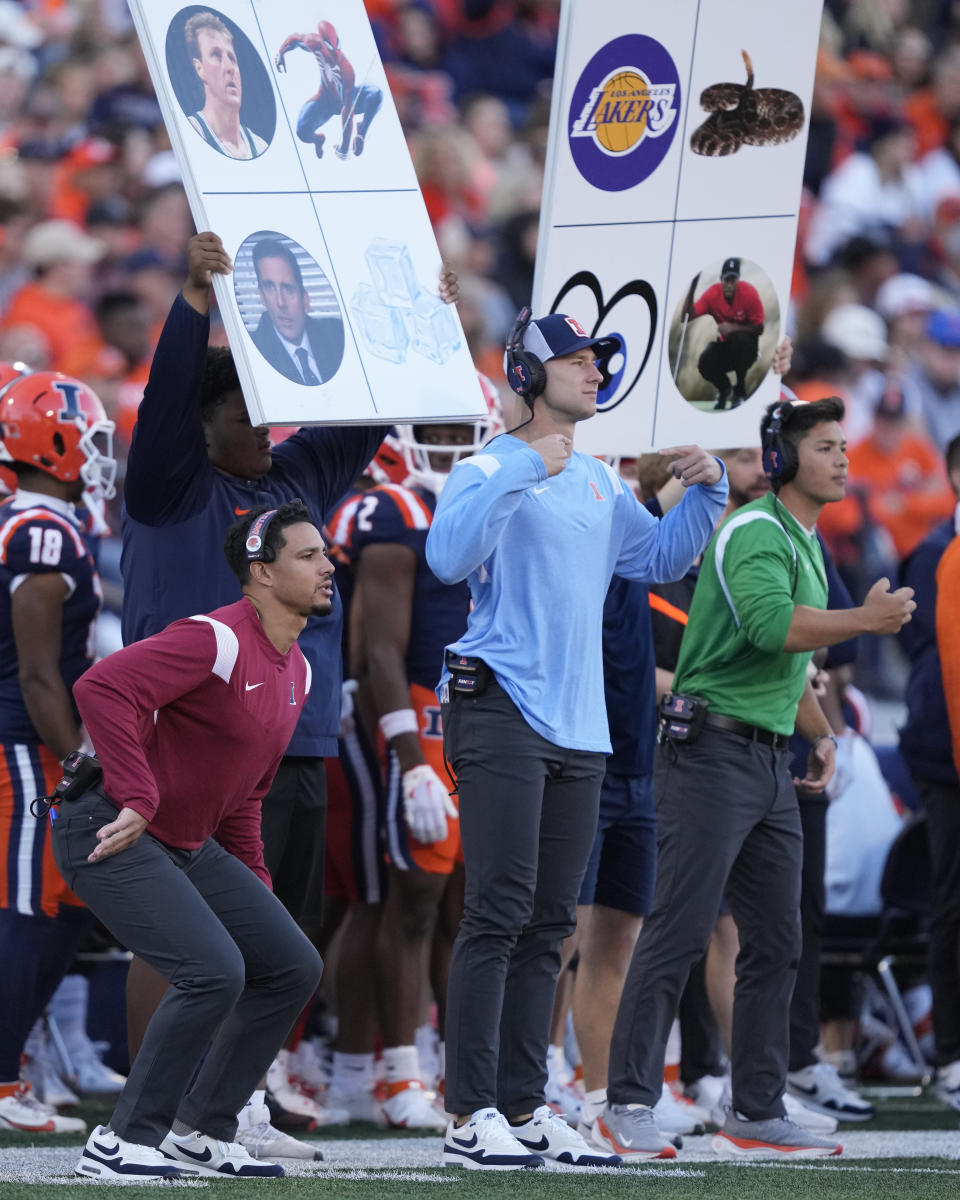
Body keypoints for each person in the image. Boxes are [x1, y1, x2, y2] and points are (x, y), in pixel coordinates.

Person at [426, 310, 729, 1171]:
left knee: (550, 921)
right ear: (527, 375)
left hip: (577, 724)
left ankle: (522, 1106)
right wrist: (523, 464)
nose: (596, 373)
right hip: (504, 705)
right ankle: (468, 1112)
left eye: (598, 361)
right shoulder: (490, 461)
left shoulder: (597, 478)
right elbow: (448, 558)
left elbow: (660, 558)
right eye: (577, 361)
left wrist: (706, 491)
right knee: (495, 911)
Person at [600, 396, 917, 1162]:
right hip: (709, 752)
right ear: (781, 461)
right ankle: (627, 1103)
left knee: (778, 938)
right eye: (824, 446)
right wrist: (865, 624)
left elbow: (791, 666)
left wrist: (822, 735)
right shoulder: (751, 530)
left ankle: (756, 1107)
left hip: (764, 755)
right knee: (676, 929)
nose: (843, 458)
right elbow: (775, 629)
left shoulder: (801, 539)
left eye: (844, 445)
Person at [54, 502, 328, 1181]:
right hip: (109, 824)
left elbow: (247, 796)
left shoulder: (300, 671)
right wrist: (139, 792)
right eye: (308, 556)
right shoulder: (217, 638)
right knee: (213, 970)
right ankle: (121, 1140)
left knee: (291, 963)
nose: (328, 566)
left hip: (182, 840)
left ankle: (201, 1130)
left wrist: (256, 890)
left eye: (325, 554)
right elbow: (101, 686)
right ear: (260, 573)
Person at [335, 396, 502, 1131]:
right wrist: (409, 760)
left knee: (466, 909)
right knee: (408, 903)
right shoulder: (395, 509)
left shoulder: (503, 507)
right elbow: (377, 651)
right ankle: (391, 1071)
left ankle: (449, 1068)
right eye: (434, 432)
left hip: (481, 721)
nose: (446, 447)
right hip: (419, 720)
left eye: (460, 434)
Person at [0, 370, 115, 1137]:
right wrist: (76, 757)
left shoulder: (48, 523)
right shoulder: (40, 529)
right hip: (24, 741)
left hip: (39, 739)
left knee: (67, 906)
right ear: (55, 439)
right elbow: (40, 670)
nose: (101, 451)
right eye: (92, 435)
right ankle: (5, 1081)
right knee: (28, 909)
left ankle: (18, 1068)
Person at [904, 433, 960, 1110]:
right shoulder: (931, 552)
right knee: (951, 903)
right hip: (945, 752)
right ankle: (951, 1050)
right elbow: (922, 643)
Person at [275, 21, 382, 160]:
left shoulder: (345, 68)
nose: (331, 53)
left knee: (376, 94)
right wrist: (281, 52)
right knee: (302, 132)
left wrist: (345, 146)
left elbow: (347, 110)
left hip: (346, 100)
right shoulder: (315, 43)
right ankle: (318, 140)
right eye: (329, 48)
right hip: (324, 101)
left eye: (334, 49)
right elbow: (295, 38)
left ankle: (362, 130)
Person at [249, 239, 345, 385]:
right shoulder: (251, 353)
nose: (280, 302)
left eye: (287, 288)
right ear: (262, 296)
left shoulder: (336, 334)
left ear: (305, 299)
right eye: (269, 287)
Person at [684, 257, 765, 410]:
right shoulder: (712, 294)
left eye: (733, 280)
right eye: (726, 280)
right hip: (725, 345)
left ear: (738, 280)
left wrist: (733, 327)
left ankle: (739, 392)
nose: (729, 284)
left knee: (739, 339)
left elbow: (759, 328)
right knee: (704, 363)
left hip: (747, 347)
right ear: (721, 280)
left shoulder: (749, 293)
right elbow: (686, 316)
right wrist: (692, 287)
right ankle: (725, 389)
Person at [184, 11, 266, 160]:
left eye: (231, 57)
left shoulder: (260, 146)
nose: (229, 67)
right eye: (216, 55)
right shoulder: (190, 132)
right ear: (199, 68)